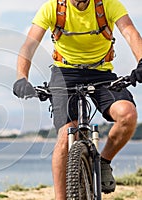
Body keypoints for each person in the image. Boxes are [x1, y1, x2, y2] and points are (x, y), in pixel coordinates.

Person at [13, 0, 142, 199]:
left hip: (101, 72)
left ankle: (103, 162)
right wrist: (22, 78)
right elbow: (29, 44)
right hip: (65, 73)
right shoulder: (53, 8)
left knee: (128, 115)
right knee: (65, 136)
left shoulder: (107, 4)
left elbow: (130, 32)